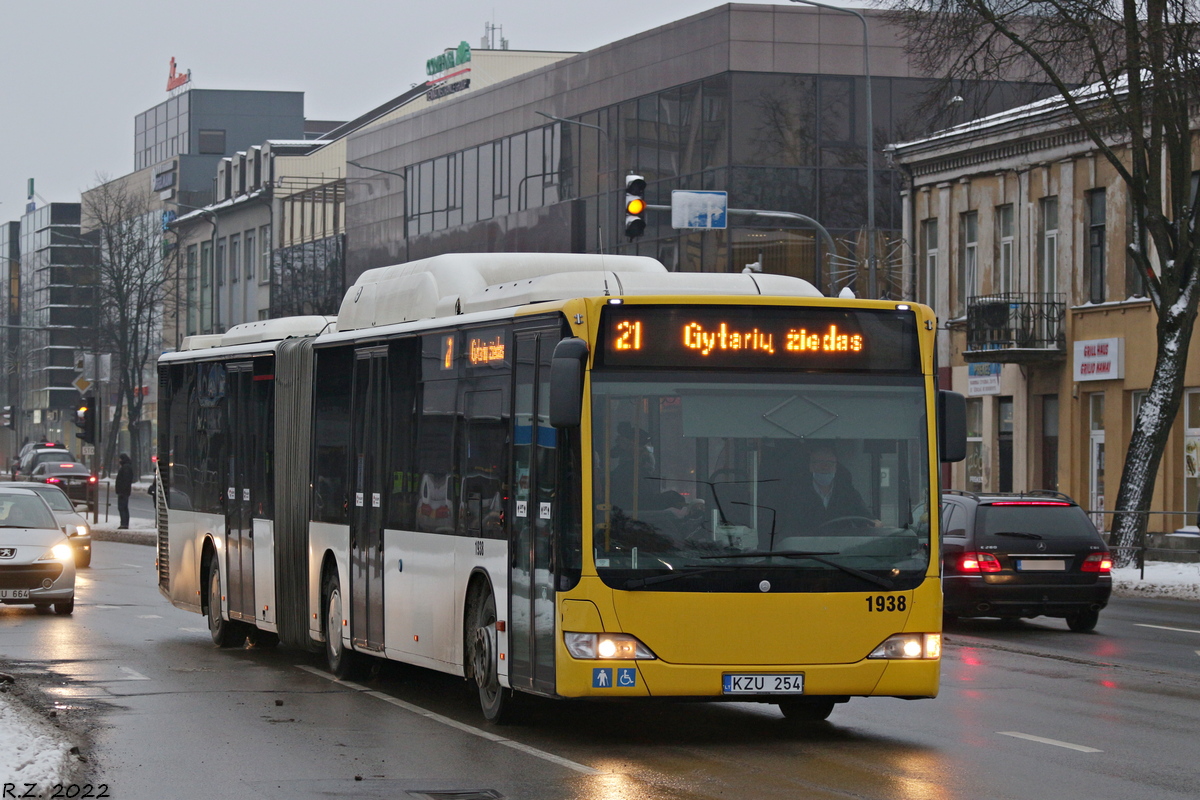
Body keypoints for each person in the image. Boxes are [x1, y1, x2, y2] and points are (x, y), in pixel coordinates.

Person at [791, 444, 874, 531]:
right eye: (820, 462)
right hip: (805, 543)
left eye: (830, 463)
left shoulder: (848, 493)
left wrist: (873, 522)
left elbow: (864, 517)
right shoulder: (797, 493)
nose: (825, 467)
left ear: (836, 467)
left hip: (843, 543)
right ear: (811, 466)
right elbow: (791, 525)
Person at [115, 453, 134, 529]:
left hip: (123, 491)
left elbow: (125, 480)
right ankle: (125, 523)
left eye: (120, 459)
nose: (119, 460)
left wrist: (122, 490)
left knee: (122, 507)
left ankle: (124, 523)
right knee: (124, 507)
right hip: (125, 491)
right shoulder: (127, 467)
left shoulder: (125, 467)